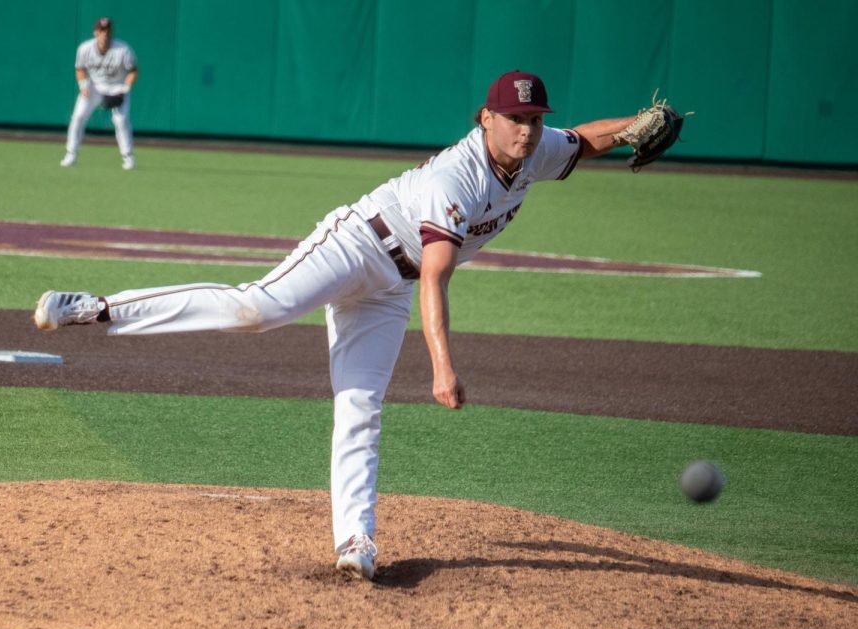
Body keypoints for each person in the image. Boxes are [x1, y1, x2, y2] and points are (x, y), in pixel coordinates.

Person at [35, 70, 648, 580]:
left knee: (360, 403)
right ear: (485, 118)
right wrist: (441, 368)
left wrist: (636, 128)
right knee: (260, 308)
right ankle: (98, 307)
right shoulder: (453, 180)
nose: (528, 129)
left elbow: (582, 141)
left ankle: (355, 542)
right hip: (357, 245)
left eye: (535, 118)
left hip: (391, 288)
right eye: (516, 118)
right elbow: (437, 276)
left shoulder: (534, 149)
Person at [61, 17, 138, 170]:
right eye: (101, 31)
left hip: (117, 87)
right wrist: (83, 85)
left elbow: (133, 70)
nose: (105, 34)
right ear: (95, 33)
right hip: (95, 86)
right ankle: (71, 154)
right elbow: (80, 68)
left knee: (121, 120)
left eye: (108, 31)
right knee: (78, 116)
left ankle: (128, 157)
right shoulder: (85, 48)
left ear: (111, 32)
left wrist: (126, 88)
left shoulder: (123, 49)